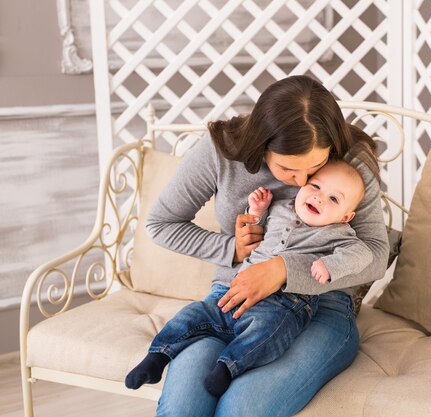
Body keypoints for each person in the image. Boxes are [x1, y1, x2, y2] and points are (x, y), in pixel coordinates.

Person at [145, 75, 389, 417]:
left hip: (322, 306)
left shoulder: (350, 161)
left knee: (241, 409)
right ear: (261, 144)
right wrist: (233, 248)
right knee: (183, 406)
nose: (303, 183)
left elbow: (376, 255)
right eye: (288, 168)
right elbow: (161, 224)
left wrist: (283, 271)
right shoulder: (219, 153)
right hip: (232, 296)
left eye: (316, 167)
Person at [125, 160, 372, 398]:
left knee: (269, 334)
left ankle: (227, 367)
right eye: (316, 186)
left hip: (285, 303)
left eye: (333, 198)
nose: (319, 197)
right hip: (236, 289)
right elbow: (256, 230)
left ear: (345, 217)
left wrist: (330, 265)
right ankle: (157, 357)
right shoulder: (281, 207)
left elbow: (363, 255)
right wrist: (256, 211)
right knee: (194, 314)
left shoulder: (340, 234)